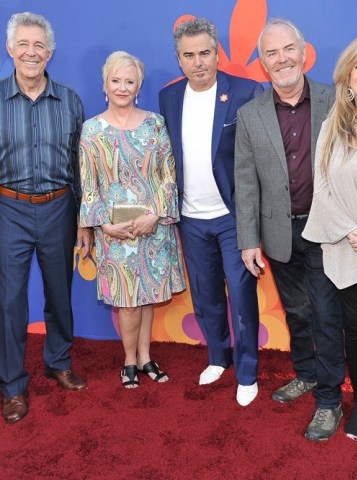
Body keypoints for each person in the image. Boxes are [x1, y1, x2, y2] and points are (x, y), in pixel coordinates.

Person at [234, 18, 345, 439]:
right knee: (297, 311)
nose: (281, 59)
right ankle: (307, 374)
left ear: (303, 51)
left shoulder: (335, 101)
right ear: (262, 63)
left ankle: (330, 402)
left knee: (325, 315)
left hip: (327, 233)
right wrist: (248, 240)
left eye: (287, 50)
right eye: (271, 53)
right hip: (279, 235)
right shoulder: (250, 115)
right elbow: (245, 181)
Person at [159, 17, 263, 407]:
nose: (198, 62)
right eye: (189, 55)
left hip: (232, 217)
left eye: (205, 53)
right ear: (179, 59)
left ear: (217, 53)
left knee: (241, 295)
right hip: (191, 218)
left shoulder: (247, 91)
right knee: (205, 297)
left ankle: (248, 370)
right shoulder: (168, 98)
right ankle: (218, 357)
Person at [0, 12, 93, 425]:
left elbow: (81, 167)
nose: (31, 52)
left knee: (59, 293)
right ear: (10, 49)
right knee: (9, 303)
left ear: (50, 53)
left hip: (60, 208)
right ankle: (13, 387)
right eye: (23, 44)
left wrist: (84, 219)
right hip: (8, 209)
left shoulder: (71, 100)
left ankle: (58, 361)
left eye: (39, 45)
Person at [79, 51, 185, 389]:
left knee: (148, 294)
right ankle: (128, 360)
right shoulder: (92, 130)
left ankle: (145, 357)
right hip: (115, 230)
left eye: (129, 81)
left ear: (138, 86)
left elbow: (168, 174)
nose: (122, 87)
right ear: (105, 84)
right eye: (116, 81)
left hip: (152, 226)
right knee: (127, 299)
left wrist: (155, 215)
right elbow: (88, 185)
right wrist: (103, 226)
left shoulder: (155, 124)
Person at [303, 33, 357, 441]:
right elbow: (323, 189)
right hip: (349, 246)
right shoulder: (331, 126)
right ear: (348, 75)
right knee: (356, 328)